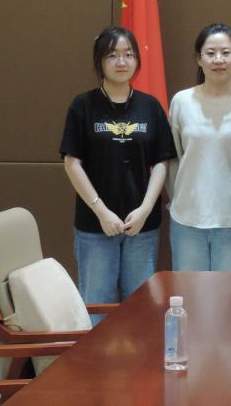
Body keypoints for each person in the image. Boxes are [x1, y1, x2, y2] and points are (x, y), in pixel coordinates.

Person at [60, 27, 176, 320]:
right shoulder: (82, 106)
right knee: (96, 306)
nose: (121, 62)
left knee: (141, 308)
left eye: (128, 54)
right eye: (112, 55)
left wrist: (146, 208)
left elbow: (162, 162)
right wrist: (101, 211)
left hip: (142, 226)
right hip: (95, 225)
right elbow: (72, 163)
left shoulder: (150, 107)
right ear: (99, 61)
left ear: (137, 60)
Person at [167, 23, 231, 272]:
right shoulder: (181, 101)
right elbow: (173, 159)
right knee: (189, 293)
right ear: (199, 59)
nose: (218, 59)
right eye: (210, 53)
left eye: (225, 53)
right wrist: (178, 199)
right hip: (187, 219)